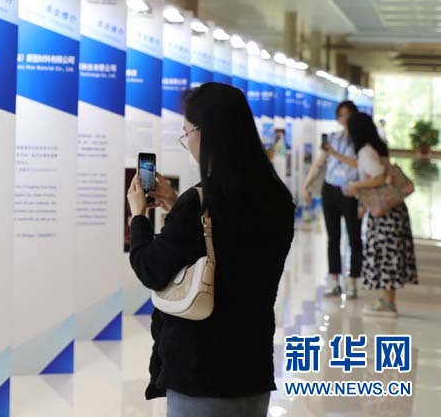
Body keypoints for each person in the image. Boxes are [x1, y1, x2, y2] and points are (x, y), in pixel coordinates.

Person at [127, 83, 295, 417]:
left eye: (186, 132)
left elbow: (151, 268)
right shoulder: (278, 198)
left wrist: (138, 218)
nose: (187, 141)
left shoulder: (200, 202)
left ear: (205, 133)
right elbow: (231, 241)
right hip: (253, 368)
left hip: (201, 372)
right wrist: (177, 204)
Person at [342, 112, 418, 316]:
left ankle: (388, 303)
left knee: (386, 254)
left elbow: (379, 178)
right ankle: (387, 299)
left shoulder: (365, 151)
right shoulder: (378, 146)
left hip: (385, 214)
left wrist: (354, 186)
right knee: (390, 254)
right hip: (393, 208)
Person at [304, 100, 362, 299]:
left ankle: (353, 281)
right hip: (330, 189)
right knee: (333, 238)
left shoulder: (360, 140)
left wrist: (335, 154)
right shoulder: (333, 138)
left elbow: (359, 164)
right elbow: (319, 163)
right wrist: (306, 184)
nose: (344, 118)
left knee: (354, 237)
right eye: (341, 114)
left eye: (347, 114)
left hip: (351, 191)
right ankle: (335, 281)